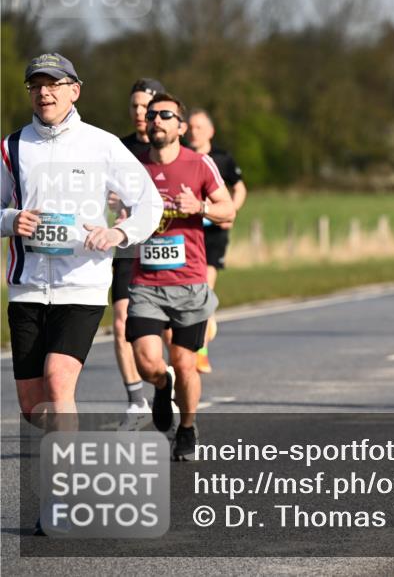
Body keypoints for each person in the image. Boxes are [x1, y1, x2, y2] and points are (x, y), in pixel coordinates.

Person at [1, 54, 162, 423]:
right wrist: (10, 219)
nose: (44, 93)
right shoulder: (12, 148)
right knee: (32, 407)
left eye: (54, 85)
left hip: (82, 284)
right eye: (36, 86)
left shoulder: (101, 145)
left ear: (74, 91)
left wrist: (119, 232)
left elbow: (149, 203)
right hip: (26, 288)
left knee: (59, 382)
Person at [127, 93, 235, 460]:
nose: (156, 120)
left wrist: (200, 206)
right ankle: (161, 386)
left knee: (185, 362)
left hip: (188, 283)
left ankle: (186, 428)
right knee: (147, 363)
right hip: (146, 282)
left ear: (180, 126)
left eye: (166, 115)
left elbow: (228, 209)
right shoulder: (133, 167)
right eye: (152, 114)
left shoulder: (200, 164)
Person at [111, 77, 166, 429]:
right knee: (120, 321)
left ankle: (166, 384)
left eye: (145, 106)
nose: (139, 113)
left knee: (170, 332)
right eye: (133, 106)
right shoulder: (116, 148)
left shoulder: (174, 147)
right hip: (128, 246)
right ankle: (135, 402)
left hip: (165, 248)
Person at [185, 108, 247, 372]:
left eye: (199, 127)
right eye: (190, 127)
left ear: (210, 131)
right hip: (188, 232)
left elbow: (240, 187)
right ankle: (201, 327)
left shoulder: (222, 158)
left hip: (214, 233)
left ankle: (201, 350)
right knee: (191, 290)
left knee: (205, 287)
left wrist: (232, 211)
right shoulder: (181, 157)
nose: (194, 131)